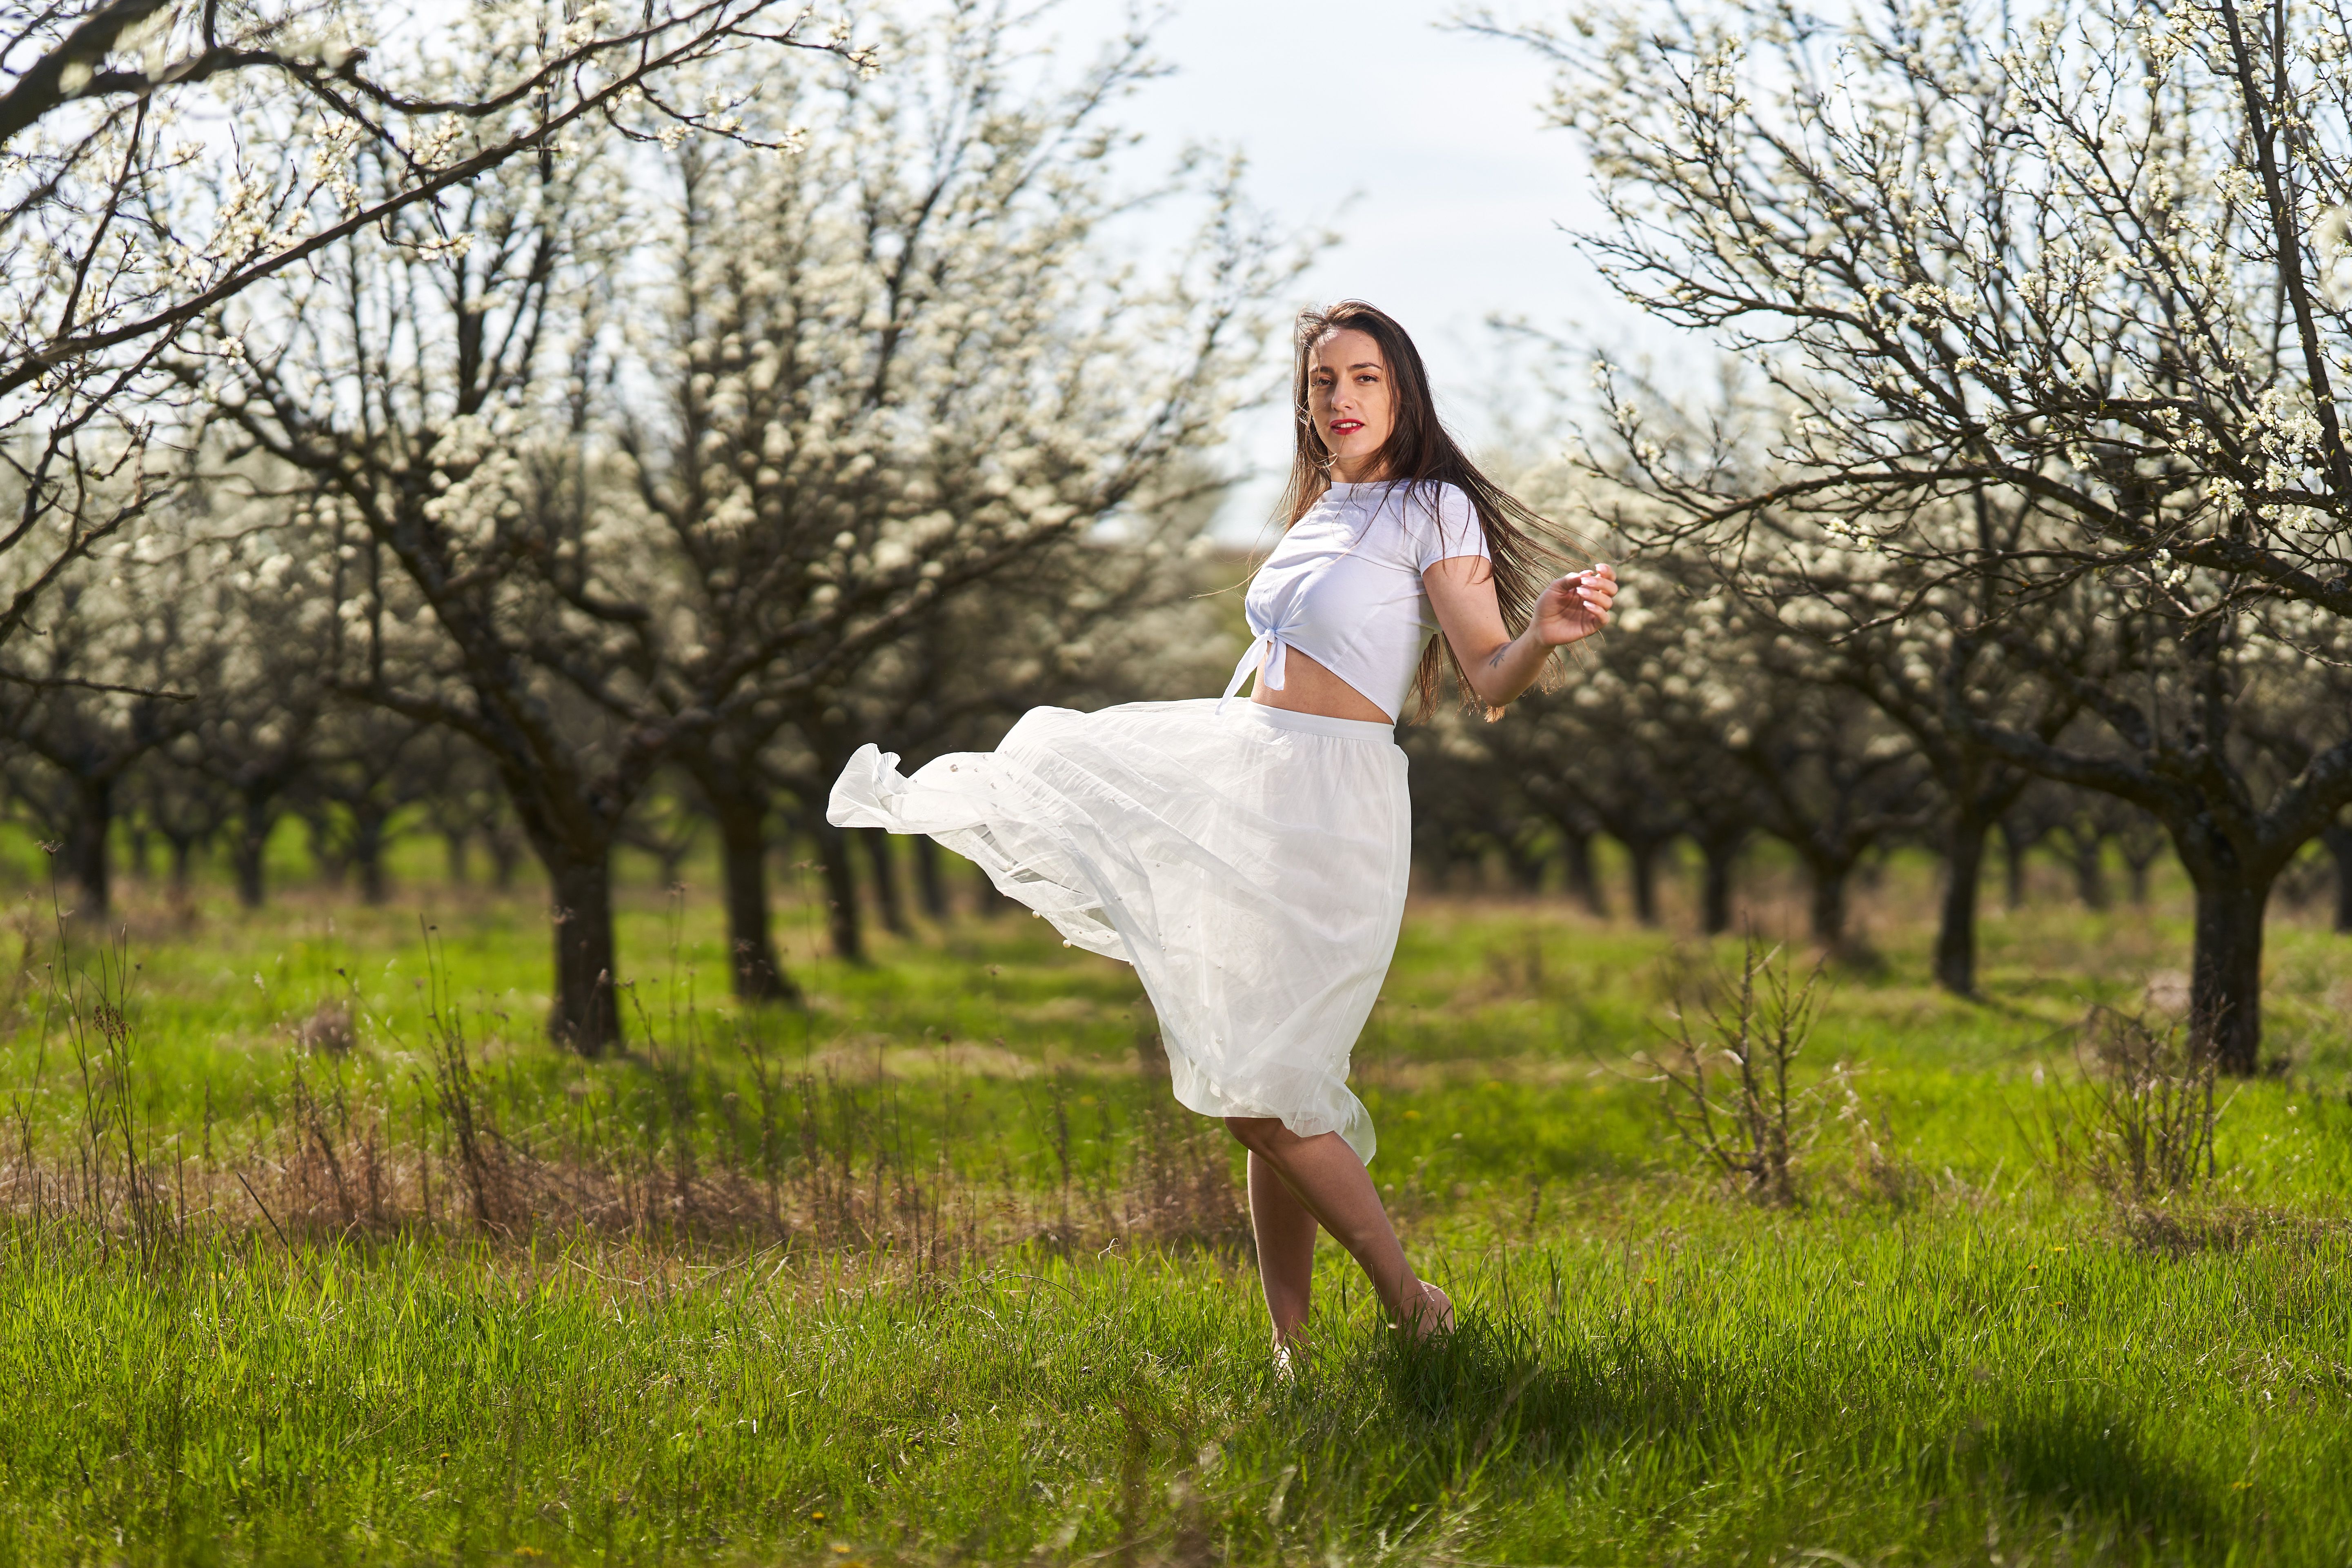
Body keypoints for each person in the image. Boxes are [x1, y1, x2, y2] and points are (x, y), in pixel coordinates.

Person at [830, 300, 1616, 1358]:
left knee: (1260, 1088)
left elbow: (1485, 675)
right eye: (1324, 381)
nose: (1341, 399)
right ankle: (1290, 1350)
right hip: (1254, 777)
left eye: (1365, 378)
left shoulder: (1431, 508)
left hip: (1333, 808)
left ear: (1403, 391)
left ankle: (1410, 1301)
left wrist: (1543, 635)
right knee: (1267, 1072)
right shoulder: (1320, 509)